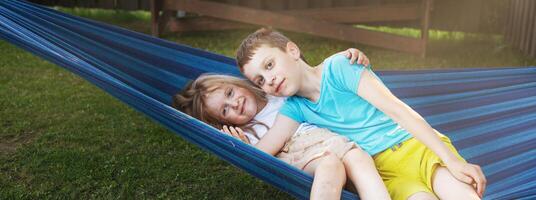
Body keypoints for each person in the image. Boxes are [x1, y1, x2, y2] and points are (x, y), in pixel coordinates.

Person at [235, 28, 487, 200]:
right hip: (386, 175)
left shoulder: (341, 66)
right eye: (260, 80)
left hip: (418, 149)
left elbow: (399, 111)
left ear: (292, 51)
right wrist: (236, 143)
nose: (270, 79)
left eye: (269, 65)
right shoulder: (295, 109)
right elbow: (262, 151)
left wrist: (451, 160)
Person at [172, 49, 391, 200]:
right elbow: (261, 157)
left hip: (332, 140)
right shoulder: (249, 132)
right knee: (331, 165)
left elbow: (313, 76)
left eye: (230, 93)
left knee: (359, 158)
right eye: (225, 110)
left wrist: (344, 59)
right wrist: (242, 149)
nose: (235, 104)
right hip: (296, 153)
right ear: (224, 122)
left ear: (237, 84)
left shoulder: (278, 92)